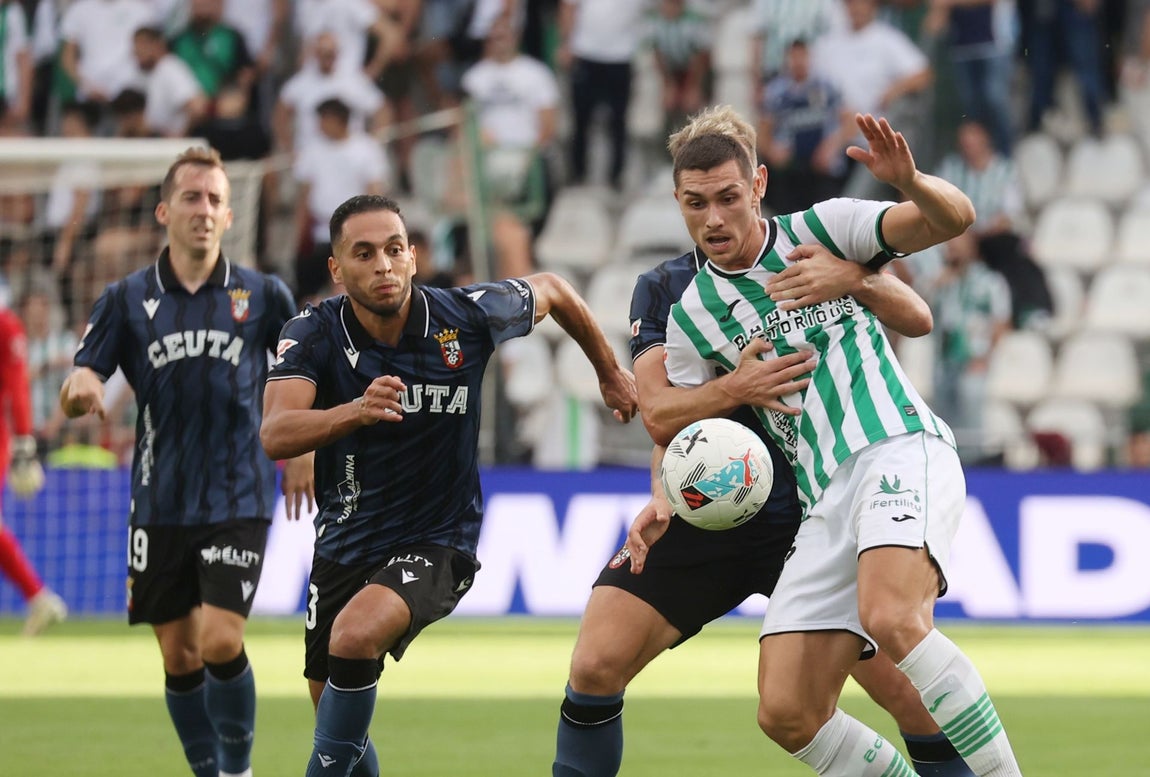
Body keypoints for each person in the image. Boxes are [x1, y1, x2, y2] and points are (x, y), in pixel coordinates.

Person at [553, 106, 976, 777]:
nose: (718, 216)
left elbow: (917, 314)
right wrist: (666, 489)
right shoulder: (671, 293)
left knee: (909, 692)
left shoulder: (814, 239)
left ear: (757, 182)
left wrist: (859, 280)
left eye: (730, 193)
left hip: (811, 503)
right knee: (596, 660)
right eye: (699, 200)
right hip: (717, 504)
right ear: (680, 198)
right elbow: (663, 413)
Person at [259, 193, 638, 777]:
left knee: (355, 637)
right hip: (344, 540)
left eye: (393, 249)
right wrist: (354, 412)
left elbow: (556, 290)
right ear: (337, 269)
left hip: (440, 537)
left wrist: (610, 372)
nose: (383, 265)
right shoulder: (311, 332)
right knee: (334, 713)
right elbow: (276, 431)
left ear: (412, 256)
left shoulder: (466, 315)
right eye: (364, 254)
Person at [59, 147, 307, 777]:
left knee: (220, 640)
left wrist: (304, 449)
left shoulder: (265, 295)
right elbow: (81, 372)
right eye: (193, 198)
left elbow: (308, 373)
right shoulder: (126, 298)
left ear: (229, 217)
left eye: (216, 200)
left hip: (239, 493)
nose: (204, 210)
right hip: (160, 498)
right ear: (164, 211)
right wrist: (81, 388)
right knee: (178, 657)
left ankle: (238, 770)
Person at [0, 303, 67, 637]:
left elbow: (16, 386)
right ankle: (39, 599)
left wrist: (24, 444)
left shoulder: (6, 325)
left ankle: (39, 598)